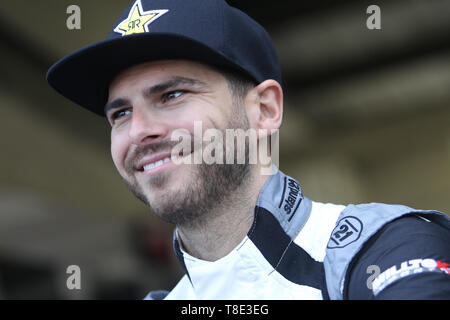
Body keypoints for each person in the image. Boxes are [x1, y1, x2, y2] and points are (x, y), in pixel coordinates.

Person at [46, 0, 450, 300]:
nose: (140, 131)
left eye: (171, 94)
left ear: (265, 109)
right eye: (120, 113)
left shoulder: (383, 250)